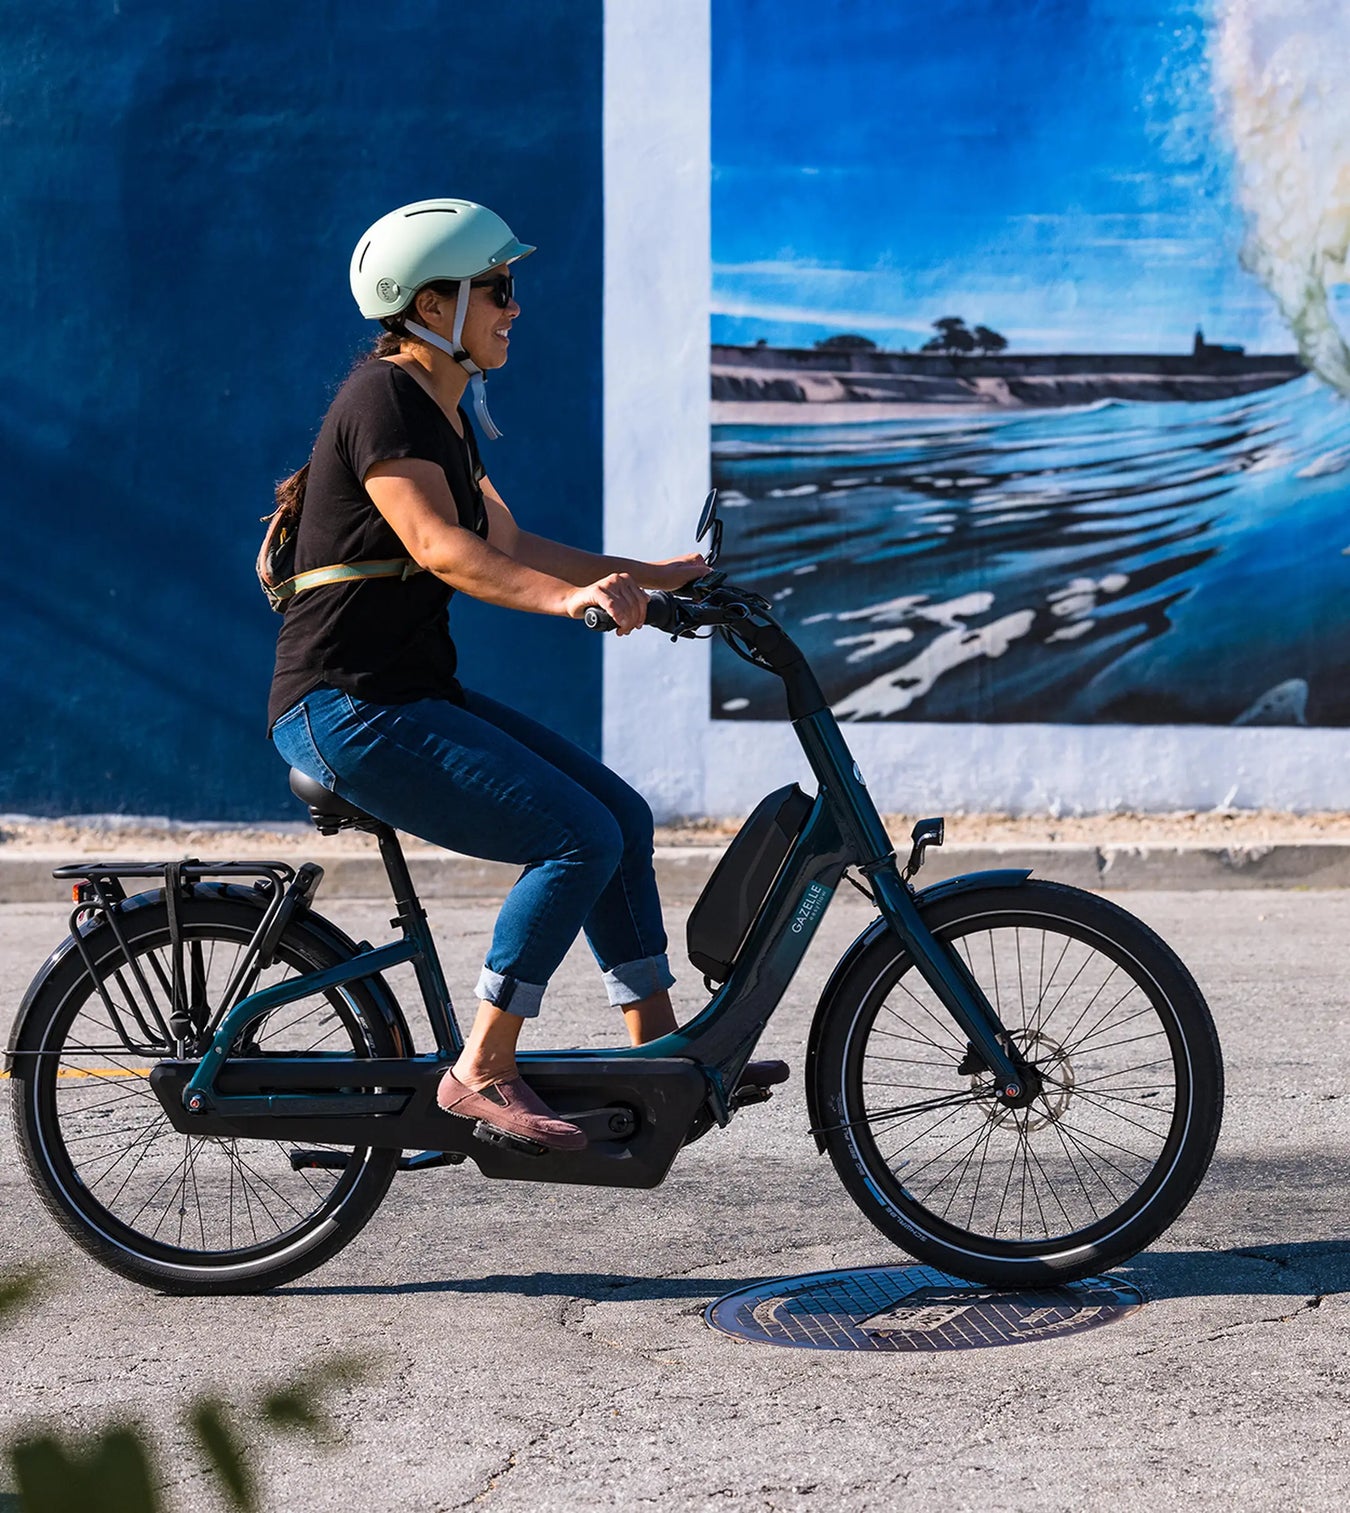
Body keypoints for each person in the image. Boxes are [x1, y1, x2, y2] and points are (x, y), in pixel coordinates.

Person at [268, 198, 777, 1154]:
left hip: (402, 696)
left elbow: (511, 540)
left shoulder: (446, 414)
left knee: (619, 817)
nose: (514, 307)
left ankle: (662, 1054)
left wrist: (663, 578)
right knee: (574, 836)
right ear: (431, 303)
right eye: (497, 289)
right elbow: (444, 548)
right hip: (347, 708)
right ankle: (483, 1068)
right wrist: (567, 603)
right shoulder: (382, 402)